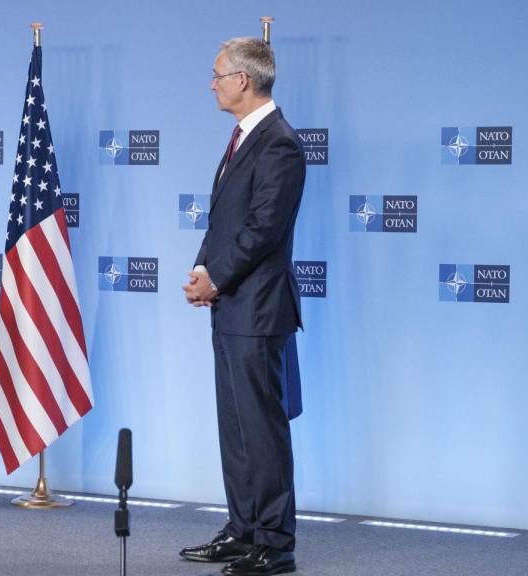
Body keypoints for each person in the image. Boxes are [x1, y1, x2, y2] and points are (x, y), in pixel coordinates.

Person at [180, 37, 305, 576]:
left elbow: (263, 230)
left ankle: (274, 543)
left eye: (216, 75)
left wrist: (218, 278)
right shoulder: (242, 139)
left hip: (257, 311)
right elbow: (225, 221)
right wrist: (205, 272)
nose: (211, 84)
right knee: (235, 427)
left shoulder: (279, 143)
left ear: (243, 80)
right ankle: (243, 530)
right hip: (231, 305)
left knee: (261, 428)